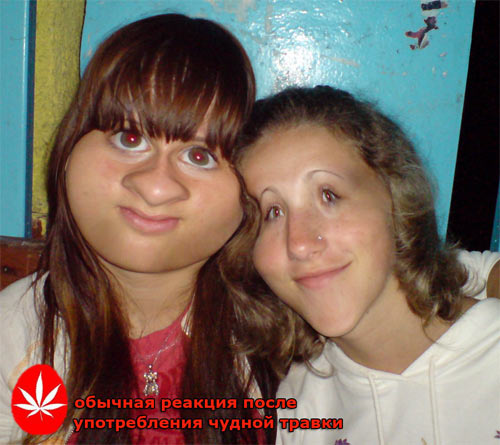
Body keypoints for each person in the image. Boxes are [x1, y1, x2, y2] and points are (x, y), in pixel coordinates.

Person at [0, 14, 285, 444]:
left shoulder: (281, 341)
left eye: (200, 156)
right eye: (129, 138)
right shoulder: (13, 337)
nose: (155, 186)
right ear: (69, 150)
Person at [234, 85, 500, 445]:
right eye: (272, 213)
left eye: (329, 195)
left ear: (394, 195)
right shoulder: (296, 413)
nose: (299, 243)